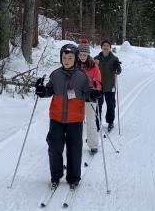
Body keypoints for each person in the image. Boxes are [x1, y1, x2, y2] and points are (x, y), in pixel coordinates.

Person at [34, 43, 101, 189]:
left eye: (70, 57)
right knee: (54, 147)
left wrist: (93, 93)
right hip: (56, 118)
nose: (67, 60)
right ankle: (55, 176)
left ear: (75, 59)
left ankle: (73, 177)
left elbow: (89, 91)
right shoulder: (56, 74)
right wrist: (41, 91)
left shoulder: (82, 76)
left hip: (75, 119)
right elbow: (49, 90)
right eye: (64, 57)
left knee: (74, 148)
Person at [77, 40, 102, 154]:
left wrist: (95, 90)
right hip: (76, 98)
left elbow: (98, 82)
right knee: (76, 122)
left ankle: (93, 144)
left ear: (88, 55)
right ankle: (75, 144)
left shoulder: (93, 66)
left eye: (84, 54)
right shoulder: (74, 64)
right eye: (80, 54)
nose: (82, 57)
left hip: (90, 97)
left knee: (91, 121)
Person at [94, 40, 122, 131]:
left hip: (110, 86)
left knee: (111, 105)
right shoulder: (96, 59)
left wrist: (117, 68)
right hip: (99, 86)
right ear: (101, 47)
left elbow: (119, 71)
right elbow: (91, 70)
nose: (105, 47)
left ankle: (110, 122)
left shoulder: (114, 59)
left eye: (107, 46)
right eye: (104, 46)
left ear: (110, 48)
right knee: (98, 105)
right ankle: (97, 123)